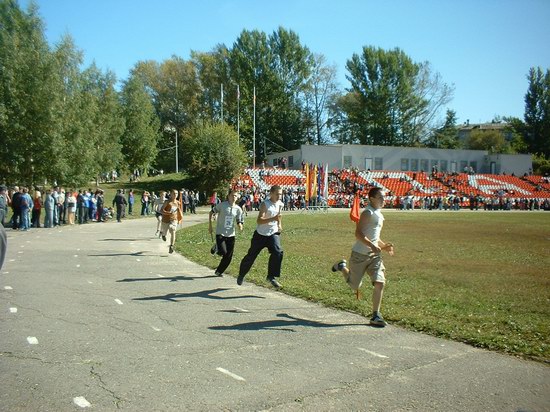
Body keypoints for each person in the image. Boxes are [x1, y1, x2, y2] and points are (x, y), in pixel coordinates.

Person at [331, 187, 394, 327]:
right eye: (380, 197)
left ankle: (376, 315)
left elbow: (374, 237)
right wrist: (372, 245)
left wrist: (384, 246)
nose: (384, 200)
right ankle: (341, 267)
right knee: (354, 285)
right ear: (372, 198)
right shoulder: (367, 212)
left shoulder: (379, 214)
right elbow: (358, 234)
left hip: (374, 256)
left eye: (384, 197)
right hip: (359, 255)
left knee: (380, 282)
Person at [237, 185, 284, 288]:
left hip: (273, 233)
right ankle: (241, 274)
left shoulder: (280, 204)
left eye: (280, 194)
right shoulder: (265, 204)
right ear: (271, 193)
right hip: (260, 235)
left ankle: (271, 276)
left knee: (278, 251)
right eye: (277, 194)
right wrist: (273, 218)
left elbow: (279, 216)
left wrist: (279, 224)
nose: (279, 196)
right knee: (251, 256)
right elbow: (259, 220)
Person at [208, 189, 244, 277]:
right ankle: (217, 247)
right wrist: (210, 225)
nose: (234, 197)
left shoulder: (238, 209)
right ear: (228, 196)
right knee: (223, 252)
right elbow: (211, 212)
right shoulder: (222, 205)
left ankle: (219, 271)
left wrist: (240, 225)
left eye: (235, 196)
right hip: (220, 232)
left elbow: (239, 220)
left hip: (231, 234)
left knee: (229, 256)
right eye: (232, 195)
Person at [160, 189, 182, 254]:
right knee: (165, 232)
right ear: (171, 194)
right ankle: (163, 235)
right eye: (174, 193)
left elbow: (179, 212)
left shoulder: (178, 203)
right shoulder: (167, 202)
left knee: (173, 230)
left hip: (173, 220)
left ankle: (171, 246)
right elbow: (162, 210)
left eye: (176, 194)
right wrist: (168, 213)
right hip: (165, 220)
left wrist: (180, 219)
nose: (175, 195)